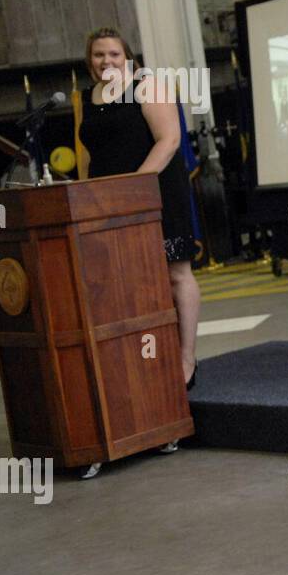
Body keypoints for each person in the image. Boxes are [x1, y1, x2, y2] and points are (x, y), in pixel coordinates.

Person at [79, 27, 201, 407]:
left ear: (127, 57)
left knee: (174, 273)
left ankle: (185, 358)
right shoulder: (88, 97)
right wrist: (84, 196)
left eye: (114, 54)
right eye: (99, 55)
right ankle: (148, 356)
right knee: (126, 282)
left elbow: (169, 140)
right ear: (90, 61)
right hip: (109, 203)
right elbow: (87, 154)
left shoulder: (147, 85)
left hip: (156, 195)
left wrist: (135, 187)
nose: (107, 61)